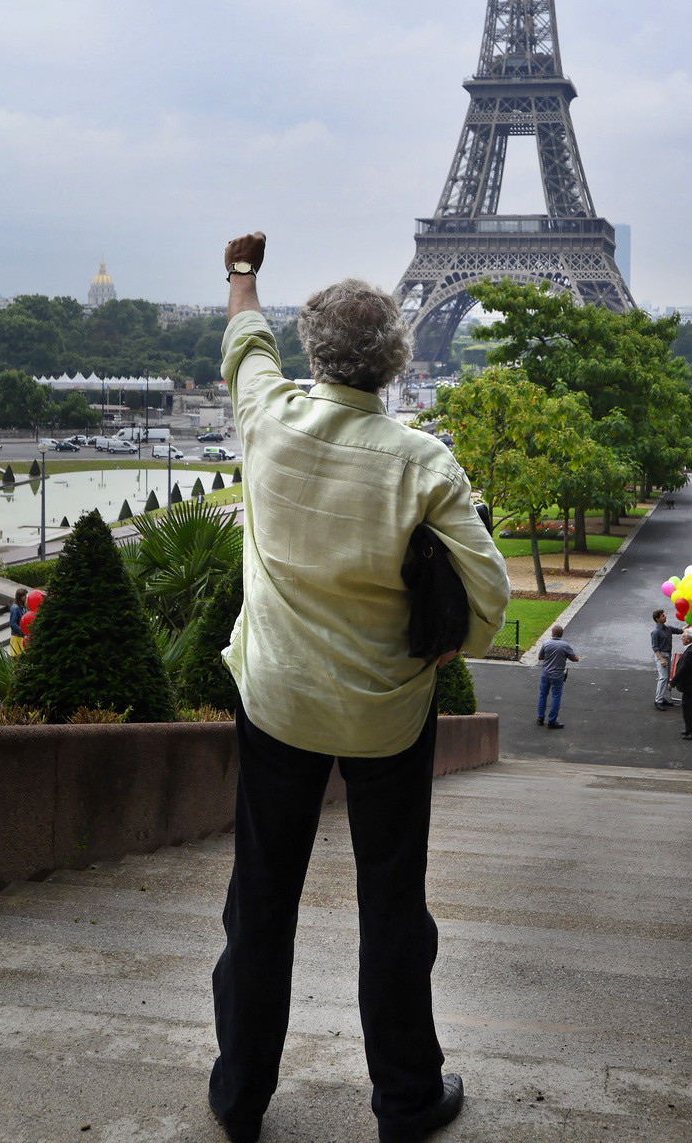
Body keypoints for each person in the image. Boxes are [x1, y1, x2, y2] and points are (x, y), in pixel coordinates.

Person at [209, 232, 509, 1143]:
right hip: (387, 715)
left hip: (280, 703)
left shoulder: (269, 421)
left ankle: (240, 1097)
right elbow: (490, 602)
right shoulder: (423, 461)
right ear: (397, 360)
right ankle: (406, 1100)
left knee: (260, 903)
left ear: (315, 352)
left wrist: (242, 273)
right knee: (392, 910)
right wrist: (443, 653)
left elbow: (246, 344)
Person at [536, 624, 579, 729]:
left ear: (553, 633)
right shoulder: (565, 645)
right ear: (561, 635)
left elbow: (540, 657)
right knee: (556, 697)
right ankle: (552, 720)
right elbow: (575, 659)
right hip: (557, 676)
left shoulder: (546, 643)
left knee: (543, 695)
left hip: (545, 674)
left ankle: (540, 718)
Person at [671, 627, 692, 739]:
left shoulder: (690, 652)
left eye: (683, 636)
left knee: (690, 709)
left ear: (688, 639)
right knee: (689, 707)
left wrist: (672, 683)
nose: (682, 638)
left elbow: (683, 669)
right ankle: (689, 729)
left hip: (689, 685)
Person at [650, 608, 678, 711]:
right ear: (657, 619)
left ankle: (662, 698)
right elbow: (655, 647)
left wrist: (690, 625)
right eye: (662, 616)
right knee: (663, 677)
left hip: (667, 655)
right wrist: (661, 659)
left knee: (666, 677)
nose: (665, 617)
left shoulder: (667, 629)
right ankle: (658, 700)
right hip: (661, 655)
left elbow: (680, 631)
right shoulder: (656, 632)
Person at [8, 586, 28, 656]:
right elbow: (12, 624)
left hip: (22, 636)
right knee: (17, 656)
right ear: (20, 597)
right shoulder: (15, 608)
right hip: (17, 637)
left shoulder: (23, 607)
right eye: (24, 595)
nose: (26, 597)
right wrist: (22, 630)